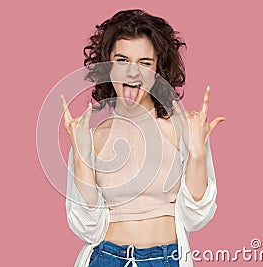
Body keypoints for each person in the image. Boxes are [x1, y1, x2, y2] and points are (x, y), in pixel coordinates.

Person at [60, 9, 225, 267]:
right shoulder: (91, 138)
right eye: (122, 60)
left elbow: (197, 216)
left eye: (145, 63)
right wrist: (81, 157)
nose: (133, 73)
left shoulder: (183, 129)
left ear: (158, 69)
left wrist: (197, 153)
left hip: (166, 259)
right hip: (106, 258)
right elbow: (87, 229)